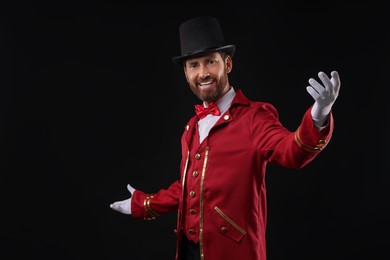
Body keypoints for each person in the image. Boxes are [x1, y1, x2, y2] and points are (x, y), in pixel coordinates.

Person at [110, 16, 341, 260]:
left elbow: (291, 151)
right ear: (186, 74)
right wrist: (143, 203)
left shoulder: (255, 117)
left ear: (227, 64)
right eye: (194, 65)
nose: (203, 73)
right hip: (187, 251)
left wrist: (319, 116)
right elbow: (189, 189)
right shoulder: (192, 127)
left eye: (210, 62)